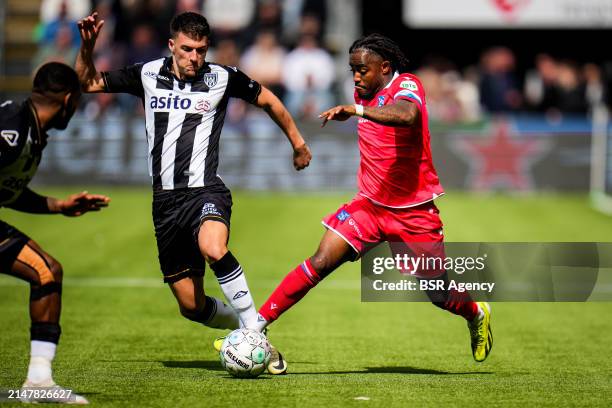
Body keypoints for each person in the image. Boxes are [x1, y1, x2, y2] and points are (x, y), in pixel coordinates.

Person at [75, 11, 311, 374]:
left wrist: (298, 143)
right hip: (165, 202)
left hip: (206, 190)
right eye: (187, 49)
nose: (194, 58)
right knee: (191, 306)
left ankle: (253, 328)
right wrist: (88, 45)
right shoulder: (146, 74)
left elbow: (269, 100)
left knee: (213, 247)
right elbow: (87, 83)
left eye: (201, 50)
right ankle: (243, 329)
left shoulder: (222, 77)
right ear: (172, 46)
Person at [249, 34, 493, 363]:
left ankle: (476, 313)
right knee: (320, 261)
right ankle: (255, 327)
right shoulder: (362, 92)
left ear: (385, 67)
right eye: (352, 71)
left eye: (362, 70)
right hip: (370, 206)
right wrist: (358, 106)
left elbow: (407, 116)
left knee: (438, 293)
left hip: (412, 212)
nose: (356, 77)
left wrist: (357, 110)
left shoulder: (407, 85)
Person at [0, 62, 110, 404]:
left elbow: (9, 193)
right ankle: (38, 382)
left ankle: (39, 380)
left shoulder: (32, 128)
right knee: (46, 271)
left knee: (48, 271)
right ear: (67, 101)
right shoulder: (13, 129)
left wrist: (58, 205)